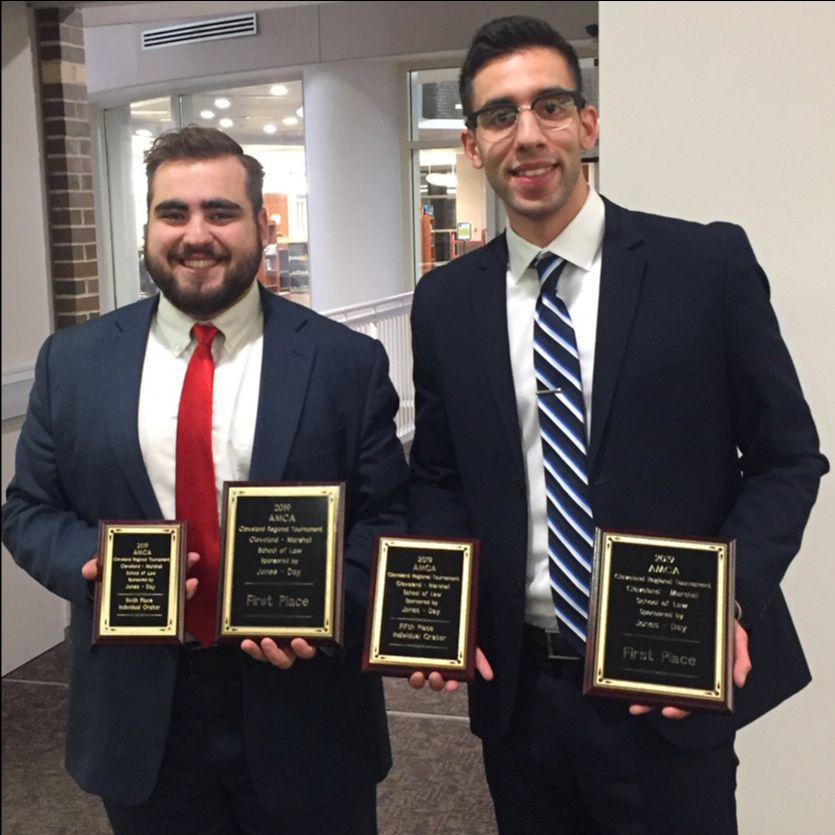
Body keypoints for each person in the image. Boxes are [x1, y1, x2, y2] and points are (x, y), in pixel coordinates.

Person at [406, 15, 828, 835]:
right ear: (472, 143)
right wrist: (438, 607)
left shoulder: (703, 267)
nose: (526, 136)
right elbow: (439, 475)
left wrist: (726, 603)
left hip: (664, 688)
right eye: (500, 116)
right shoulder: (446, 301)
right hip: (520, 696)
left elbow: (788, 459)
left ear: (586, 124)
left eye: (549, 108)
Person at [2, 125, 409, 834]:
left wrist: (329, 609)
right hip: (138, 713)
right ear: (148, 227)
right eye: (173, 213)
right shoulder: (74, 361)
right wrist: (89, 566)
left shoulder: (343, 363)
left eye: (220, 212)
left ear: (260, 223)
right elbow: (29, 510)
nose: (197, 234)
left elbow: (386, 518)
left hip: (306, 703)